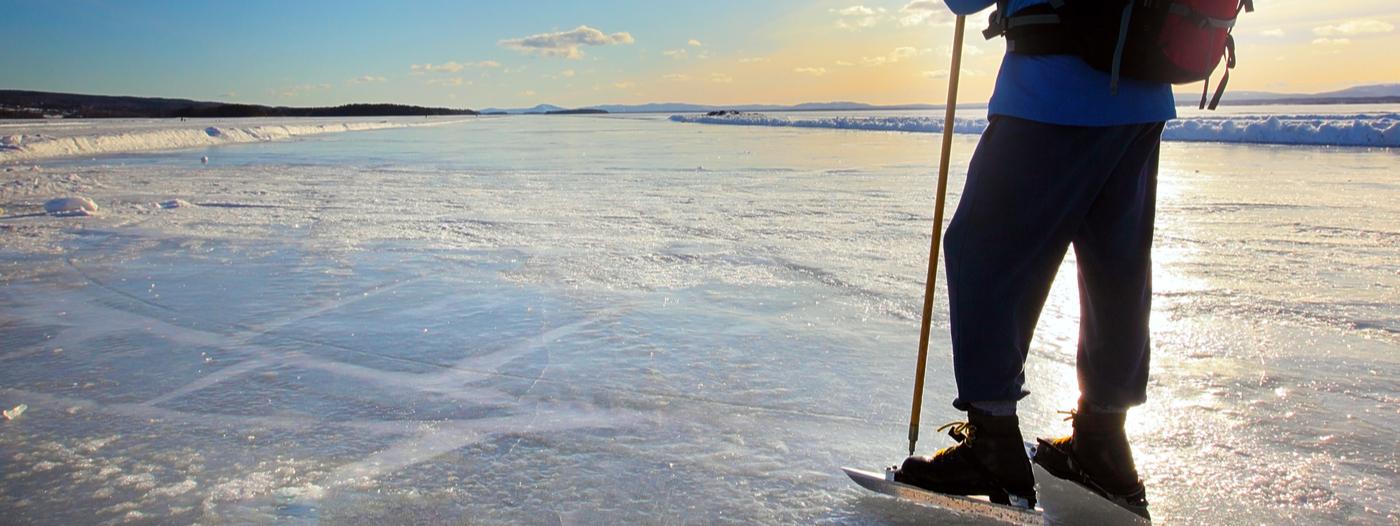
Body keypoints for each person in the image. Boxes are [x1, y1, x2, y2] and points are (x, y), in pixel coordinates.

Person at [891, 0, 1174, 518]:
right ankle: (1103, 442)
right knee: (1116, 269)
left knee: (981, 251)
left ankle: (993, 444)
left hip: (1053, 91)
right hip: (1144, 93)